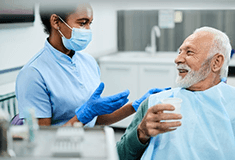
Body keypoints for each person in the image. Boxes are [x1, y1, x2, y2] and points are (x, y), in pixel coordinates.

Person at [117, 26, 235, 160]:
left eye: (189, 52)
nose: (177, 59)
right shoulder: (154, 104)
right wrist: (140, 133)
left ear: (216, 62)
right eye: (179, 52)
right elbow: (120, 155)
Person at [15, 3, 169, 127]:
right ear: (56, 22)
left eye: (90, 23)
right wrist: (84, 115)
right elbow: (40, 143)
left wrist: (137, 105)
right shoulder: (33, 74)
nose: (88, 30)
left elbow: (97, 119)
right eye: (82, 23)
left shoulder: (88, 62)